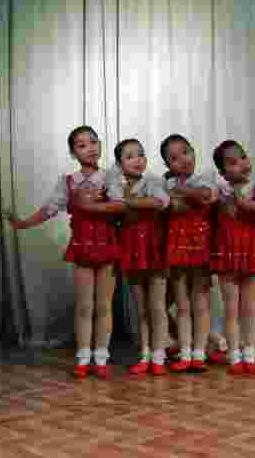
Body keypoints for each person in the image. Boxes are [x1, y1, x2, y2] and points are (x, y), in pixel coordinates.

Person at [4, 126, 120, 379]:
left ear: (100, 144)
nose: (89, 147)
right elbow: (50, 208)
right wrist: (23, 223)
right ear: (72, 153)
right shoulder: (68, 182)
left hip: (109, 245)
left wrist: (94, 205)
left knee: (104, 305)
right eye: (81, 145)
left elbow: (121, 206)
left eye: (93, 141)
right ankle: (82, 357)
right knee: (84, 306)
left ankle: (101, 358)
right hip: (82, 246)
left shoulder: (111, 178)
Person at [210, 140, 255, 374]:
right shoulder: (220, 192)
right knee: (231, 308)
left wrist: (248, 204)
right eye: (232, 162)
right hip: (228, 250)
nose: (241, 164)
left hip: (252, 248)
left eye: (243, 157)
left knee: (249, 307)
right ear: (222, 171)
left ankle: (250, 355)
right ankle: (234, 356)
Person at [107, 138, 171, 375]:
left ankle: (159, 355)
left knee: (157, 305)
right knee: (141, 307)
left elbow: (161, 202)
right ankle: (145, 353)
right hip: (132, 245)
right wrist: (127, 200)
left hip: (154, 244)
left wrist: (130, 201)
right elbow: (116, 205)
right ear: (119, 163)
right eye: (130, 156)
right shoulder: (116, 185)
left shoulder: (153, 180)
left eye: (141, 154)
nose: (138, 160)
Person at [160, 134, 218, 372]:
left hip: (201, 245)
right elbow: (165, 205)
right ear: (168, 166)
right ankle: (184, 352)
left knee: (201, 303)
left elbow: (206, 195)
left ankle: (199, 353)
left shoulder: (206, 177)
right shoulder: (166, 185)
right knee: (182, 304)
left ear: (194, 151)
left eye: (186, 151)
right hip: (177, 246)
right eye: (174, 158)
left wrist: (181, 191)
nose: (183, 160)